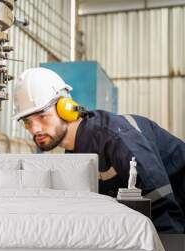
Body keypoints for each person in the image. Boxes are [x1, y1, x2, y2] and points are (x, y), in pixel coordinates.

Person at [12, 67, 185, 233]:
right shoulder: (76, 153)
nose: (34, 129)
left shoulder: (115, 137)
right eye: (27, 121)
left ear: (65, 107)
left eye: (42, 116)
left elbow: (163, 209)